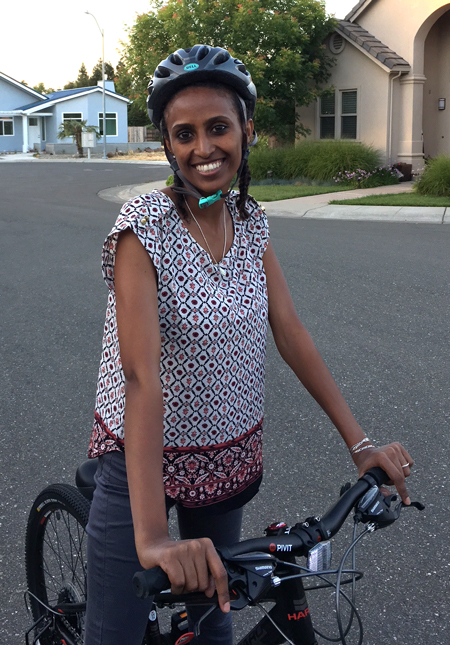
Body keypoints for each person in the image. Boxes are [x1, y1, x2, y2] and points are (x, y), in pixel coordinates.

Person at [84, 45, 413, 645]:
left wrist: (359, 443)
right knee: (115, 633)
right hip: (139, 467)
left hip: (224, 459)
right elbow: (141, 377)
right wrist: (154, 536)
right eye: (184, 134)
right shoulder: (143, 226)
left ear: (246, 131)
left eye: (218, 128)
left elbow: (290, 331)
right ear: (168, 145)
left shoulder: (250, 220)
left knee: (215, 631)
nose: (203, 148)